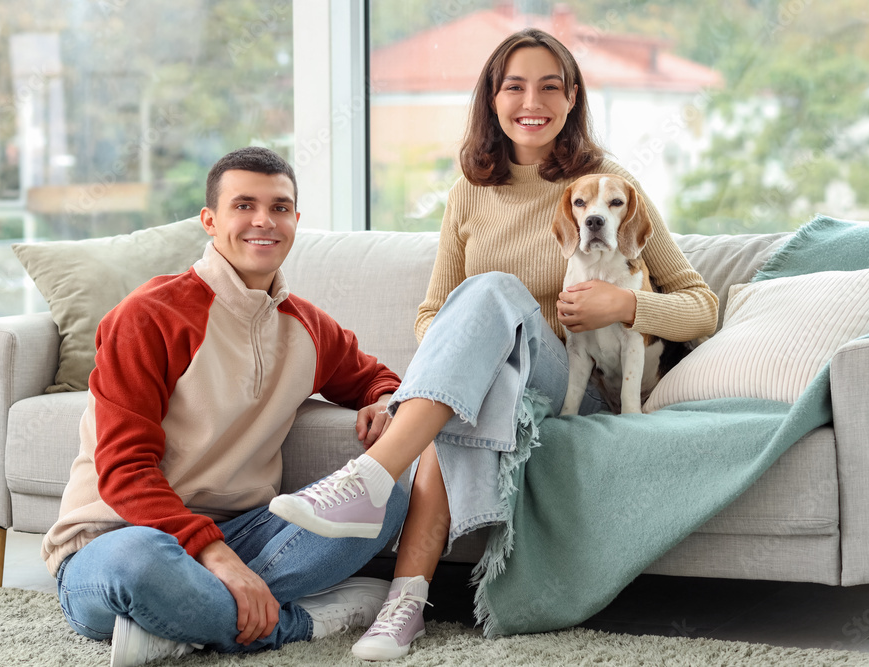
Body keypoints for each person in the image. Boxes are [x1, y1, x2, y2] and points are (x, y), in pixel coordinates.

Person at [269, 28, 719, 661]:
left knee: (492, 291)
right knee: (475, 345)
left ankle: (371, 479)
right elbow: (433, 313)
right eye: (513, 86)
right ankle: (404, 605)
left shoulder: (606, 186)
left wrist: (627, 304)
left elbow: (702, 308)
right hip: (494, 382)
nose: (530, 101)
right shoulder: (469, 190)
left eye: (548, 87)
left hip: (571, 383)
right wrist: (469, 354)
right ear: (491, 98)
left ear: (571, 100)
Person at [40, 146, 409, 667]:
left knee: (384, 495)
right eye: (244, 205)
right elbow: (123, 472)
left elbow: (376, 376)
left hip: (245, 534)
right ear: (210, 221)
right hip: (119, 537)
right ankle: (302, 621)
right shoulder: (148, 316)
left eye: (280, 207)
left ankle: (181, 623)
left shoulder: (308, 327)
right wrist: (214, 558)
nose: (264, 220)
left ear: (296, 221)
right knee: (139, 568)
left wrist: (385, 400)